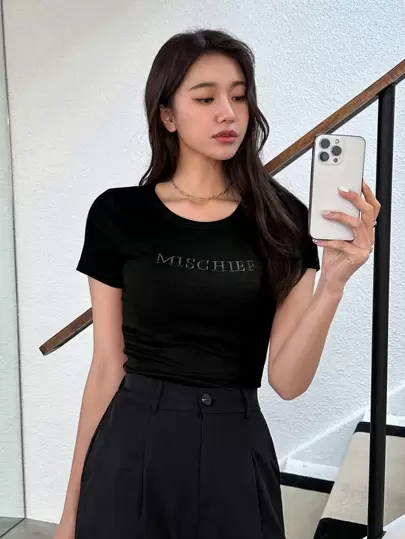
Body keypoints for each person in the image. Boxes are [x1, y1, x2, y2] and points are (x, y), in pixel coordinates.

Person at [54, 28, 380, 539]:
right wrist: (70, 512)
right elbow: (105, 367)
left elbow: (288, 381)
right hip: (131, 447)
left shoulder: (284, 222)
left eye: (239, 96)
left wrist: (333, 282)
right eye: (205, 99)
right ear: (167, 115)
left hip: (234, 453)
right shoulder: (119, 214)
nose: (227, 113)